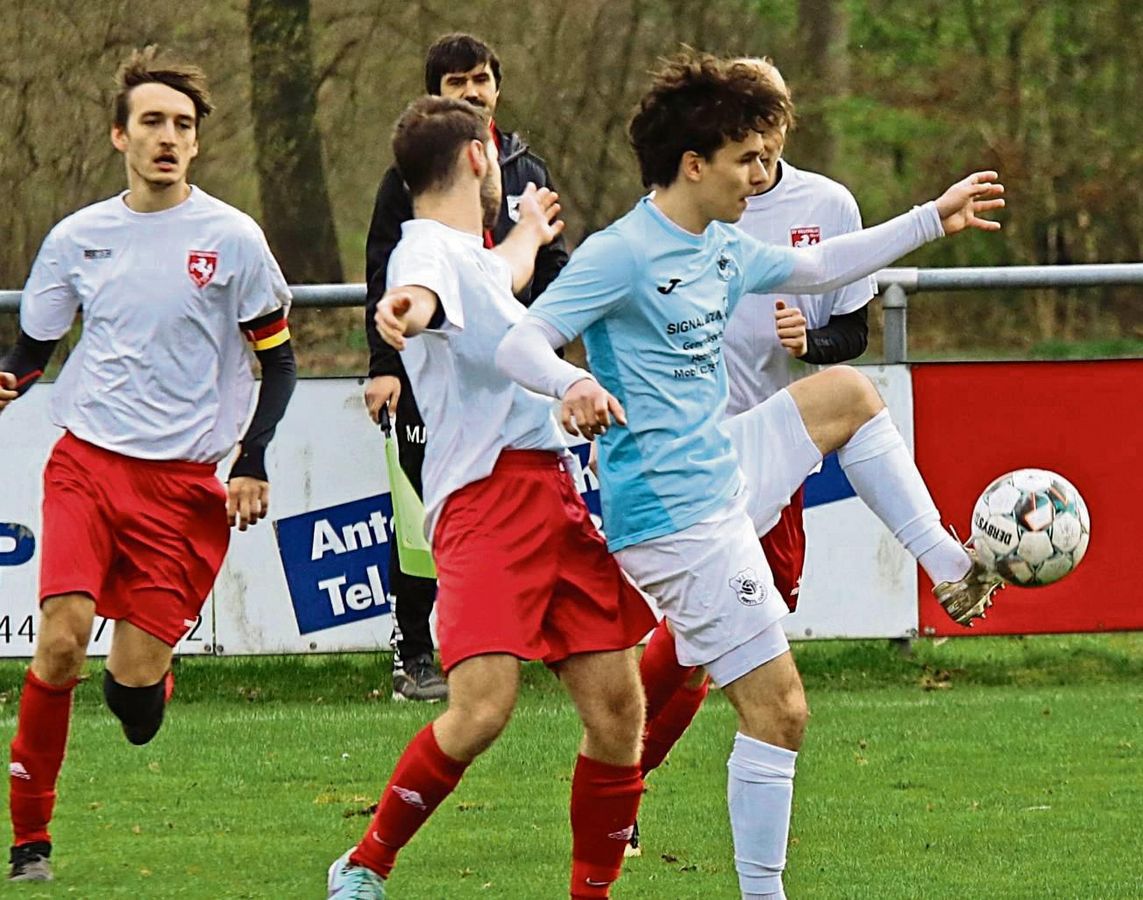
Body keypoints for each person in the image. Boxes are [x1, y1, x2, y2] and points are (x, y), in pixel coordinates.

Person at [496, 50, 1005, 899]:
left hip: (720, 466)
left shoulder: (721, 244)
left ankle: (949, 568)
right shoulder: (622, 253)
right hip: (673, 515)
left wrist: (931, 218)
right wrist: (573, 380)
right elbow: (518, 340)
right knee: (780, 712)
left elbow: (819, 268)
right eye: (747, 160)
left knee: (845, 391)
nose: (761, 176)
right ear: (693, 164)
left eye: (767, 158)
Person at [326, 95, 655, 900]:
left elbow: (496, 280)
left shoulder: (471, 255)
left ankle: (591, 893)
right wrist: (405, 312)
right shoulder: (424, 255)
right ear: (480, 158)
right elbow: (428, 295)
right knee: (480, 710)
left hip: (550, 494)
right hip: (483, 502)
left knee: (618, 711)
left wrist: (528, 236)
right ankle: (363, 864)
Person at [0, 48, 296, 883]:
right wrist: (12, 382)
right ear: (119, 135)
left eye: (184, 126)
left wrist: (253, 456)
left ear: (196, 144)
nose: (168, 138)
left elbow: (277, 361)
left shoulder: (233, 239)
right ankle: (31, 842)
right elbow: (32, 350)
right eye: (154, 123)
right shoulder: (77, 238)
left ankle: (147, 688)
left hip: (181, 490)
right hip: (87, 466)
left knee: (132, 701)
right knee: (58, 643)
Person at [631, 57, 881, 855]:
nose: (761, 143)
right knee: (713, 637)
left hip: (776, 446)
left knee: (719, 637)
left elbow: (851, 333)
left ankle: (617, 776)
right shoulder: (686, 201)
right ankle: (619, 781)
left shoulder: (826, 204)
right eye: (747, 123)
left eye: (771, 121)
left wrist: (813, 340)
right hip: (698, 461)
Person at [361, 33, 569, 703]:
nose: (473, 91)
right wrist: (396, 330)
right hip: (475, 439)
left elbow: (505, 270)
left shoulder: (525, 171)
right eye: (457, 83)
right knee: (479, 709)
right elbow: (409, 278)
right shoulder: (415, 202)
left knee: (614, 690)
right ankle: (418, 647)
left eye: (481, 78)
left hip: (534, 447)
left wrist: (533, 234)